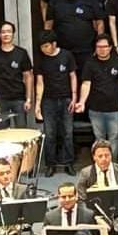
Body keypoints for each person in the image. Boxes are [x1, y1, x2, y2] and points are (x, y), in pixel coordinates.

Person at [33, 31, 78, 176]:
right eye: (42, 47)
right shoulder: (41, 59)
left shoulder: (66, 55)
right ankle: (50, 164)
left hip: (66, 98)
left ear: (54, 44)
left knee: (68, 132)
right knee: (50, 133)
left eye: (46, 46)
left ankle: (68, 163)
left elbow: (73, 76)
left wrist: (74, 97)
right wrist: (37, 105)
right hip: (48, 100)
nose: (44, 49)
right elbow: (39, 82)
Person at [76, 34, 118, 157]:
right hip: (96, 109)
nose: (102, 49)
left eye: (105, 46)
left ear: (110, 47)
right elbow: (86, 84)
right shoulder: (90, 63)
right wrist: (82, 102)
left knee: (114, 138)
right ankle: (100, 164)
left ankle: (112, 164)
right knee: (99, 139)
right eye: (99, 47)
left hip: (114, 108)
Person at [44, 0, 105, 72]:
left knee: (86, 77)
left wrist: (99, 44)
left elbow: (100, 23)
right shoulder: (55, 1)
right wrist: (49, 46)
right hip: (63, 51)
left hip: (87, 50)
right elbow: (48, 25)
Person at [0, 21, 33, 128]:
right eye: (3, 32)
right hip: (1, 99)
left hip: (19, 98)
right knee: (1, 132)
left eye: (9, 31)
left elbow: (28, 76)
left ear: (13, 34)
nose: (6, 34)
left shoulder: (21, 53)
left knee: (21, 130)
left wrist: (28, 99)